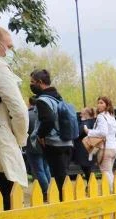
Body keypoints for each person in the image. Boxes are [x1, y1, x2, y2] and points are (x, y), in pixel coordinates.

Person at [0, 27, 29, 219]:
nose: (9, 51)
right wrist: (20, 139)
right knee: (8, 198)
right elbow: (19, 110)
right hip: (0, 144)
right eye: (8, 46)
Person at [30, 68, 74, 200]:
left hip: (53, 143)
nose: (31, 85)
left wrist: (41, 135)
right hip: (66, 141)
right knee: (62, 178)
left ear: (40, 82)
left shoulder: (43, 100)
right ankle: (64, 202)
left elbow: (48, 119)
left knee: (57, 180)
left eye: (32, 82)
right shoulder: (58, 97)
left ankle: (61, 206)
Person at [84, 96, 116, 192]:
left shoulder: (101, 116)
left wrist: (88, 131)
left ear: (107, 105)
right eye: (98, 102)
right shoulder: (112, 116)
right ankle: (114, 190)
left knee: (106, 172)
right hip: (114, 148)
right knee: (109, 171)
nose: (98, 104)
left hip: (105, 148)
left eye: (101, 103)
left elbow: (103, 132)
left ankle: (113, 192)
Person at [26, 96, 51, 199]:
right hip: (44, 143)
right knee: (46, 168)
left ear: (29, 103)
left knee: (39, 170)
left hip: (32, 146)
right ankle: (52, 189)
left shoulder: (28, 115)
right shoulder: (42, 113)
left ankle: (46, 192)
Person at [72, 106, 96, 178]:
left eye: (82, 114)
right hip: (86, 148)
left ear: (86, 114)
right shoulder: (91, 121)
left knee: (87, 168)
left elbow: (78, 133)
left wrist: (82, 121)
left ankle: (90, 183)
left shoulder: (86, 123)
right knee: (86, 168)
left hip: (84, 149)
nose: (80, 115)